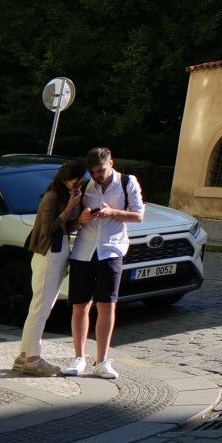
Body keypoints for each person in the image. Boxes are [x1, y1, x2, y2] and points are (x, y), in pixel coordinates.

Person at [63, 147, 143, 380]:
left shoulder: (127, 182)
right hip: (83, 251)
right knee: (80, 306)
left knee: (106, 305)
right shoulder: (85, 186)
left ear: (112, 163)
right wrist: (81, 218)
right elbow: (71, 224)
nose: (97, 175)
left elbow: (138, 216)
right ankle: (79, 358)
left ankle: (102, 361)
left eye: (101, 170)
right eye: (93, 171)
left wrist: (112, 212)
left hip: (111, 250)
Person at [11, 161, 85, 376]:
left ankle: (24, 356)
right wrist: (70, 207)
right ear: (64, 180)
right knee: (40, 309)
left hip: (57, 253)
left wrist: (76, 214)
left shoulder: (66, 194)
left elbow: (65, 227)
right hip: (48, 255)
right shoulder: (53, 196)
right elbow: (47, 229)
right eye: (75, 182)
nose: (78, 186)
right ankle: (32, 359)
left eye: (81, 182)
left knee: (41, 307)